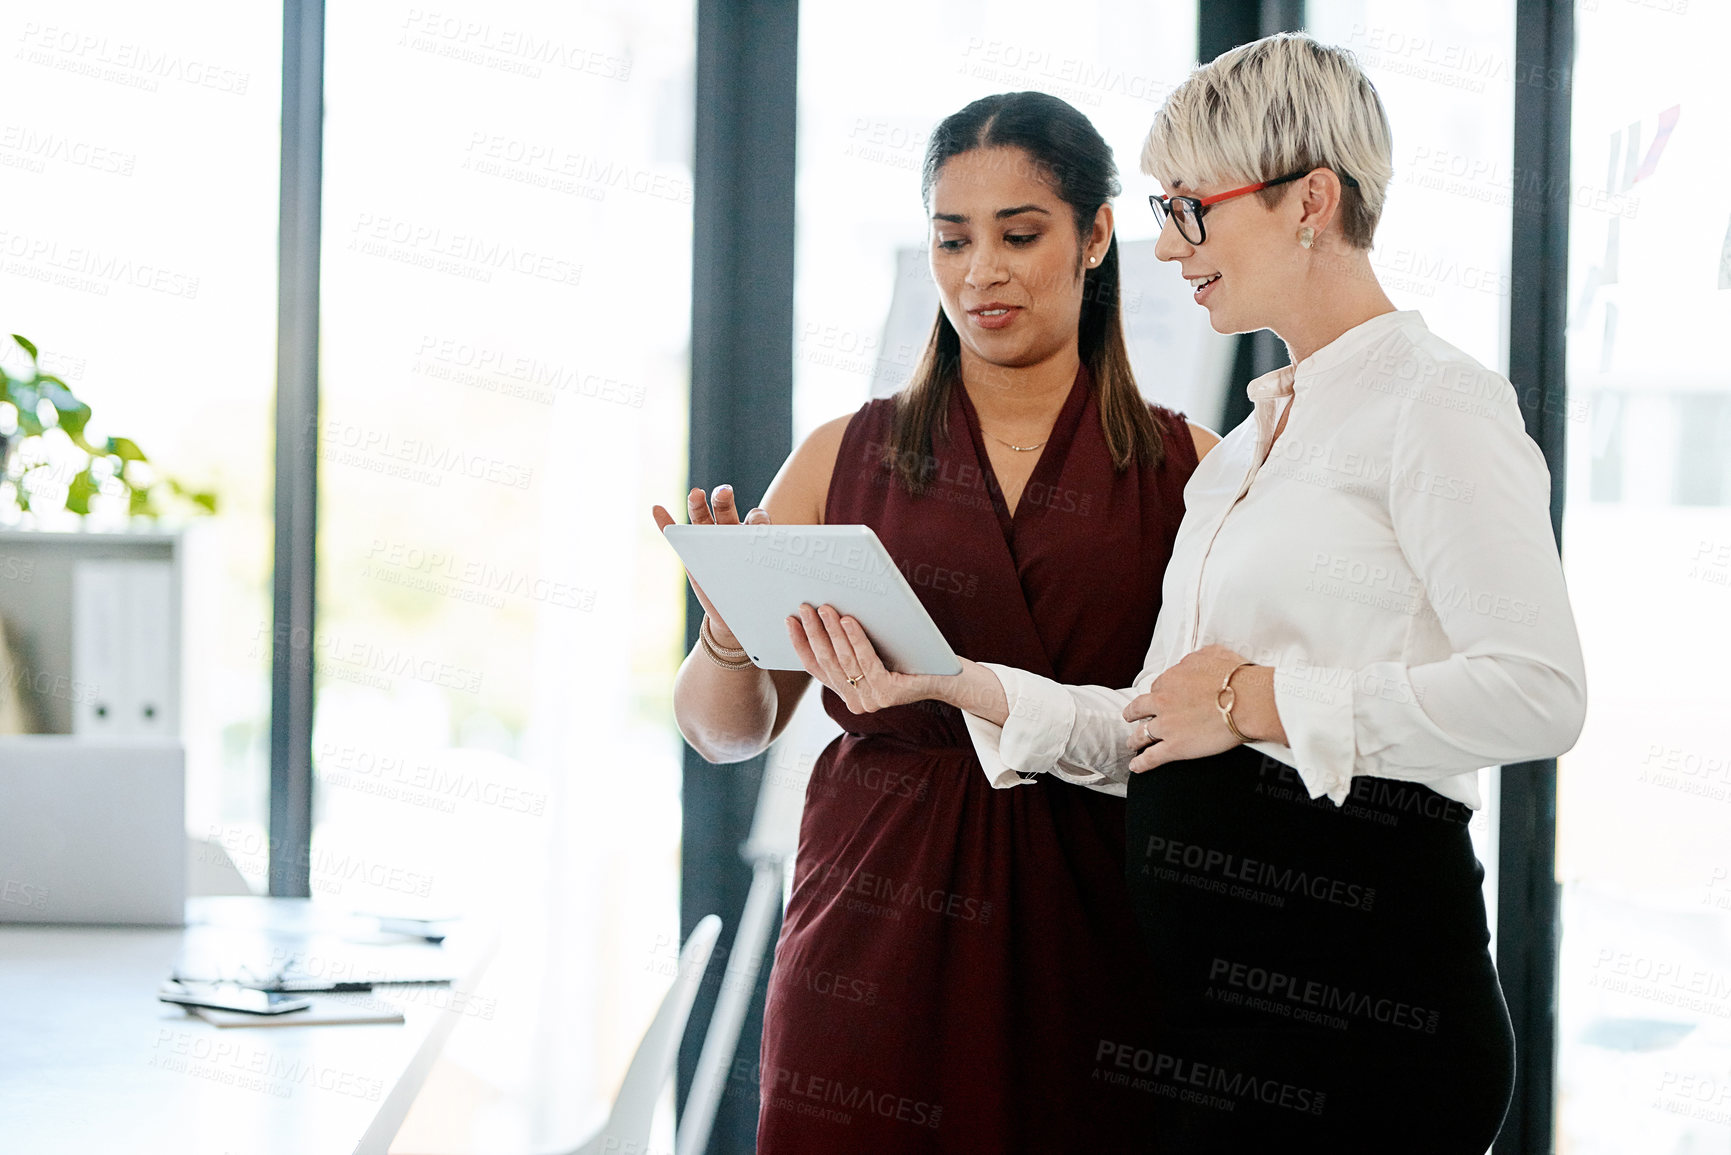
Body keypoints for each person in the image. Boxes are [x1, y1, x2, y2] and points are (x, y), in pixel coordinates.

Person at [809, 34, 1587, 1153]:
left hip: (1369, 1011)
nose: (1168, 251)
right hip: (1216, 1031)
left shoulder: (1437, 405)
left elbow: (1539, 693)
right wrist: (952, 682)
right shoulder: (1245, 451)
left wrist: (1258, 700)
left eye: (1191, 210)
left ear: (1310, 199)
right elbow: (1151, 728)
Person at [655, 91, 1217, 1152]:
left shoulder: (1191, 468)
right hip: (873, 930)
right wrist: (729, 637)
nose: (980, 273)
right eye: (952, 240)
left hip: (1098, 925)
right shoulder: (841, 455)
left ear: (1097, 236)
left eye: (1019, 235)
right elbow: (724, 730)